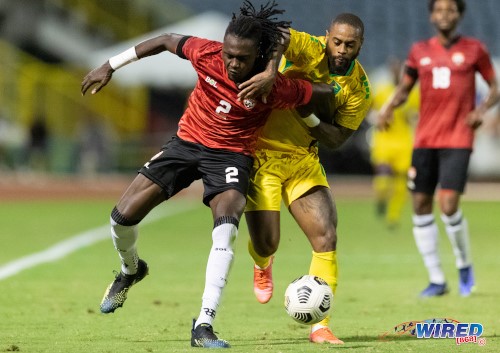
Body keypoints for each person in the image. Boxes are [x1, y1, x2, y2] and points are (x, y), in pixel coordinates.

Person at [81, 1, 333, 348]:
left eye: (241, 58)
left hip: (231, 156)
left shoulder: (274, 88)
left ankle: (204, 325)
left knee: (226, 229)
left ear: (259, 55)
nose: (232, 63)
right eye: (229, 54)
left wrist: (327, 94)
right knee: (121, 219)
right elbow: (166, 40)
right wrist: (110, 65)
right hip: (186, 143)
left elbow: (320, 92)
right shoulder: (207, 54)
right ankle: (130, 270)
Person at [237, 13, 371, 344]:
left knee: (326, 237)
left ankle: (320, 326)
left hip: (302, 160)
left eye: (349, 45)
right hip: (263, 156)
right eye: (336, 42)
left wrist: (305, 111)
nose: (340, 49)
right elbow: (278, 34)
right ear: (327, 37)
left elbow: (338, 139)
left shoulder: (358, 89)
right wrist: (271, 73)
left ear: (360, 46)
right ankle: (262, 262)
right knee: (267, 242)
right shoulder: (310, 47)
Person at [378, 0, 499, 297]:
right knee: (420, 205)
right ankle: (436, 279)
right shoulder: (419, 51)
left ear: (459, 15)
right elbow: (405, 88)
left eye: (451, 10)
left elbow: (495, 87)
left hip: (458, 138)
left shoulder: (475, 50)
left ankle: (463, 265)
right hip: (425, 140)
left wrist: (482, 110)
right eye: (439, 10)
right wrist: (387, 108)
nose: (445, 14)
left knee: (448, 205)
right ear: (431, 16)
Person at [369, 58, 419, 229]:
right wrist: (376, 117)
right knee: (383, 181)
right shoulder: (382, 91)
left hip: (404, 142)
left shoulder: (413, 94)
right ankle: (381, 199)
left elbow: (418, 114)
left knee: (400, 184)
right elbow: (369, 108)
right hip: (384, 140)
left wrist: (413, 117)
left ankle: (393, 217)